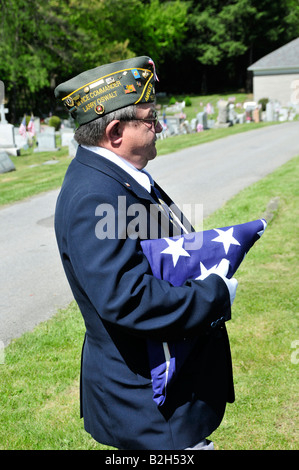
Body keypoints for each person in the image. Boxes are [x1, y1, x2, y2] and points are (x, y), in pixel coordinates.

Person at [54, 56, 238, 450]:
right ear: (116, 131)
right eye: (151, 119)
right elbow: (128, 298)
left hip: (160, 393)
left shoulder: (114, 176)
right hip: (149, 406)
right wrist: (216, 294)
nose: (160, 127)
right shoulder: (96, 195)